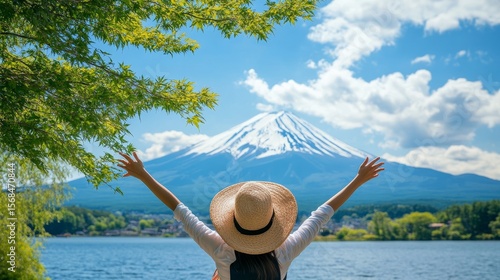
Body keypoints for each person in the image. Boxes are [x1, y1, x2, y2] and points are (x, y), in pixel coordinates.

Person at [118, 152, 384, 280]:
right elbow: (321, 215)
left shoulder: (222, 252)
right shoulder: (284, 253)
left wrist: (143, 175)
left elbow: (180, 210)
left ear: (233, 219)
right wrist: (358, 180)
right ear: (272, 220)